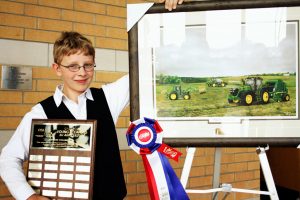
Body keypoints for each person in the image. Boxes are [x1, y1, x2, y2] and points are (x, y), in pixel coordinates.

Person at [0, 1, 185, 200]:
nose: (82, 73)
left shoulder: (107, 98)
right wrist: (28, 196)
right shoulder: (40, 113)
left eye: (88, 65)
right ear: (57, 68)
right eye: (73, 66)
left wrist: (167, 16)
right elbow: (8, 158)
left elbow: (147, 64)